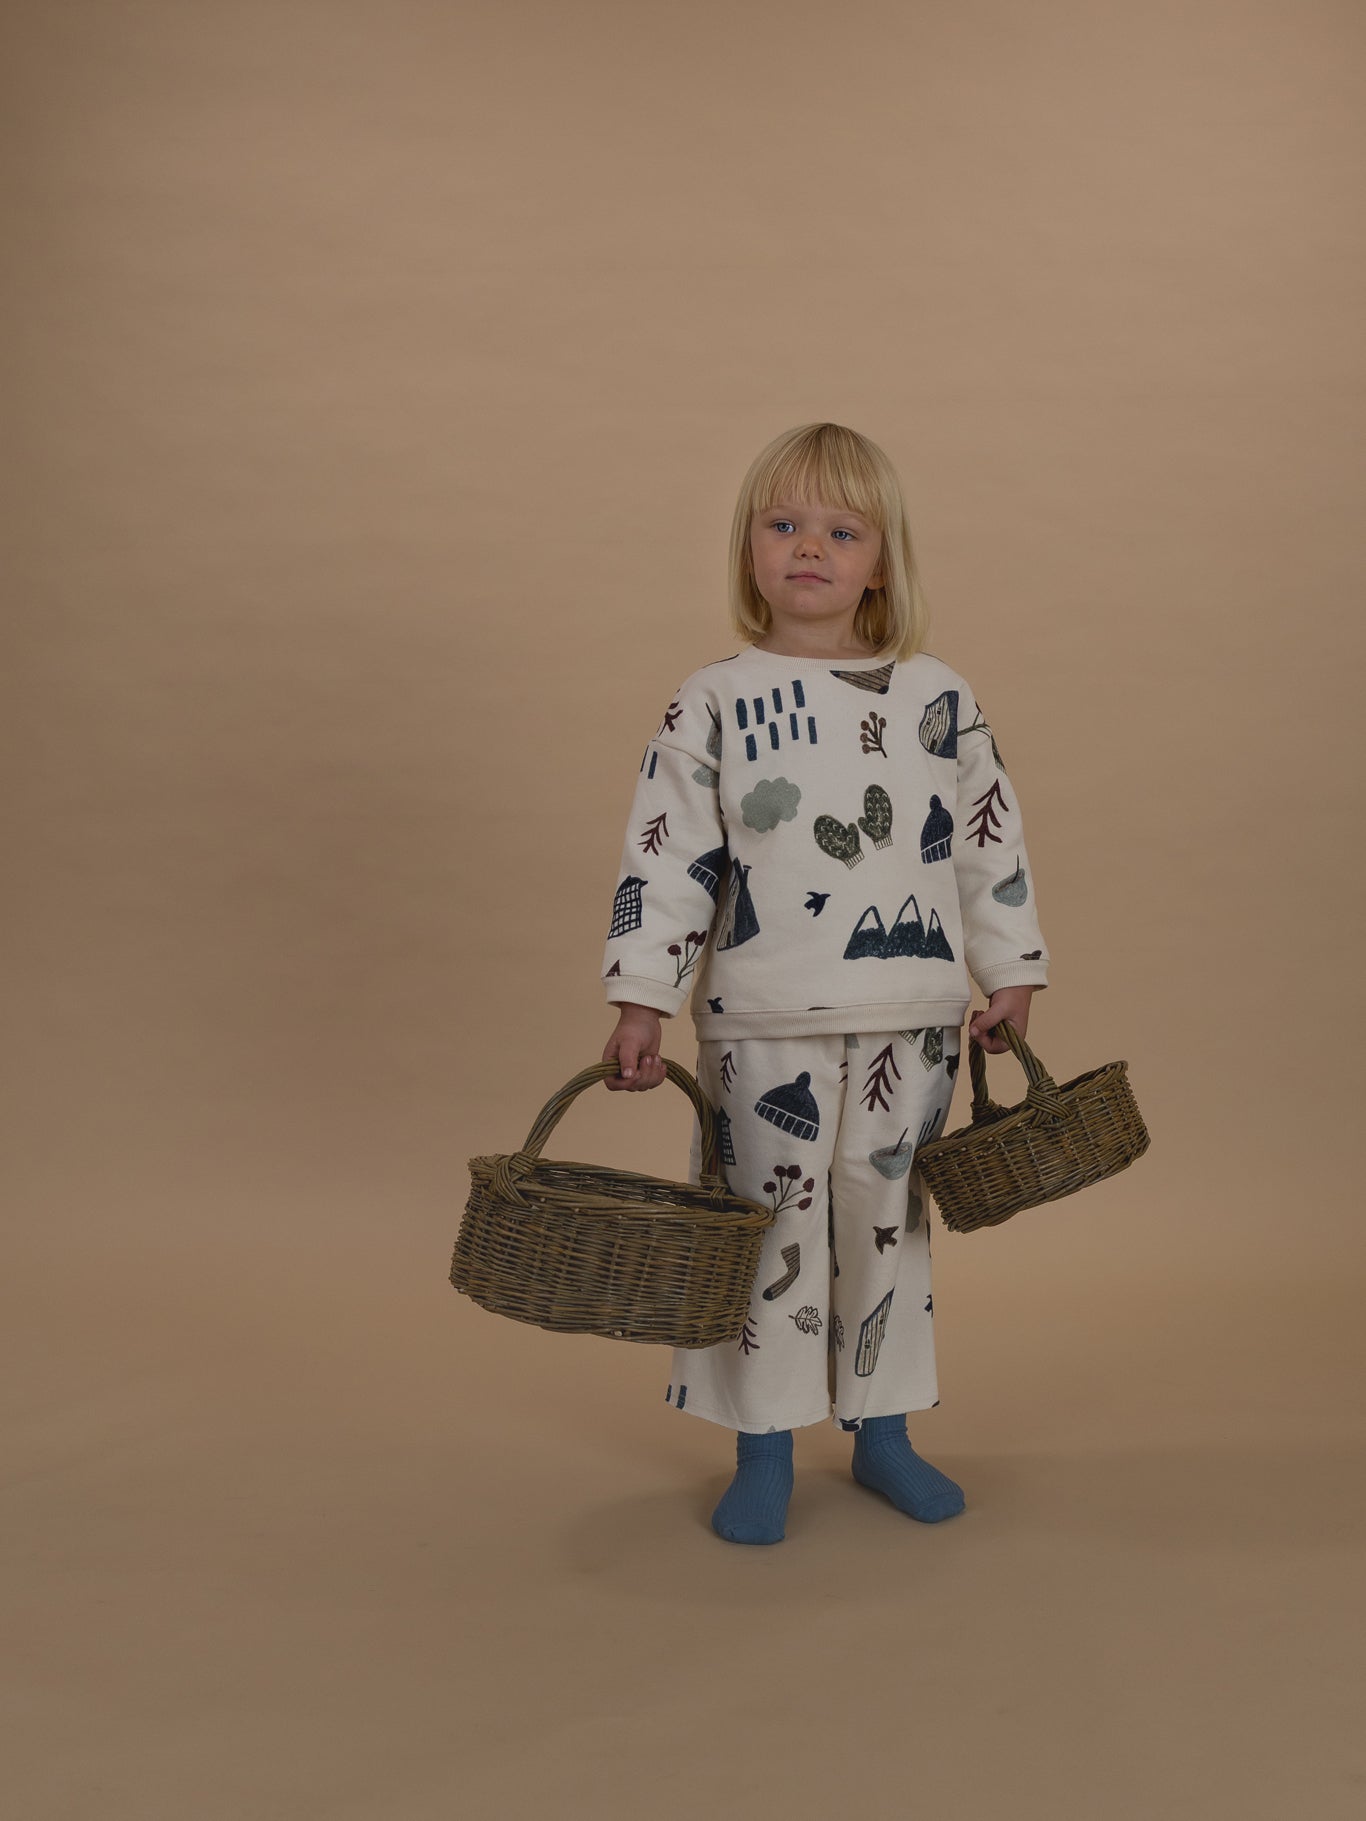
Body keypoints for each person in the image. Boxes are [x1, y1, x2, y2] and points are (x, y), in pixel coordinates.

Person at [598, 421, 1051, 1544]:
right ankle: (763, 1449)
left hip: (914, 1022)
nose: (809, 547)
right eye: (783, 523)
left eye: (840, 530)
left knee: (885, 1229)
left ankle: (884, 1432)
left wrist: (1010, 970)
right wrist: (641, 996)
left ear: (880, 560)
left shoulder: (937, 695)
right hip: (761, 1024)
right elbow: (668, 856)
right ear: (748, 548)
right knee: (763, 1231)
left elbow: (987, 847)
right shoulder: (711, 700)